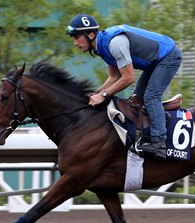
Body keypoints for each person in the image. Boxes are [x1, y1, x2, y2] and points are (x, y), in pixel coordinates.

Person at [67, 14, 182, 159]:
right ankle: (159, 118)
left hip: (168, 56)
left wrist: (103, 95)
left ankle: (159, 143)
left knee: (151, 97)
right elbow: (114, 77)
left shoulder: (114, 44)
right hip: (155, 62)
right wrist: (96, 93)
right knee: (136, 99)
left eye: (77, 37)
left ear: (90, 35)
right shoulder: (102, 47)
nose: (75, 43)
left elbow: (128, 78)